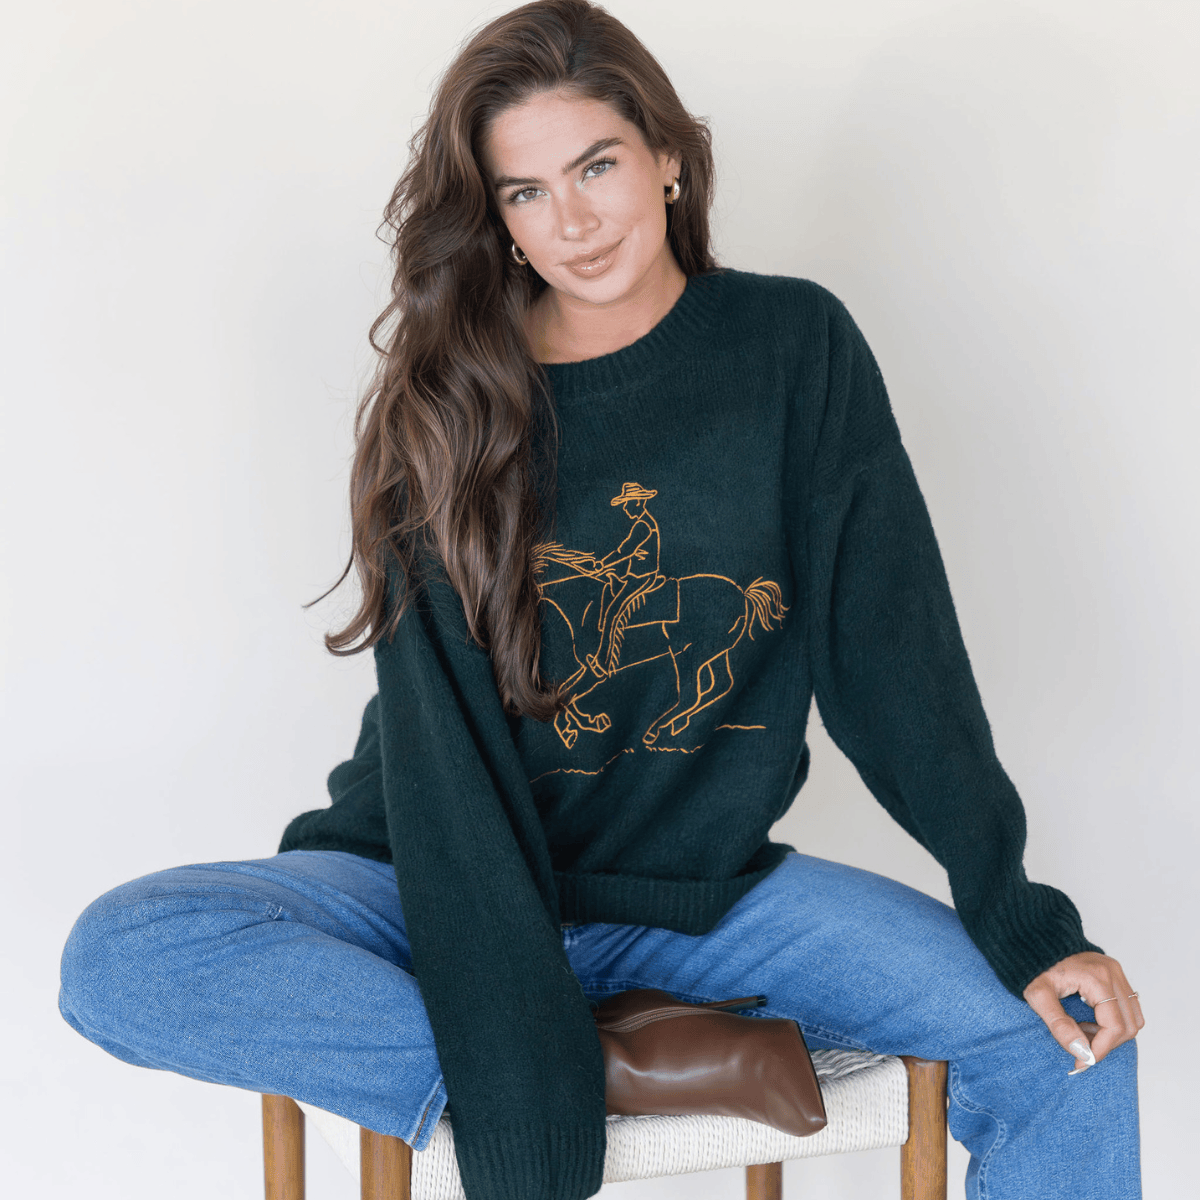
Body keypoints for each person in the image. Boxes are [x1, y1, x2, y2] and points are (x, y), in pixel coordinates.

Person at [57, 2, 1143, 1198]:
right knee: (123, 954)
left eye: (597, 166)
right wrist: (519, 1056)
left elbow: (893, 658)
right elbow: (442, 746)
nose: (570, 222)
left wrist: (1019, 914)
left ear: (668, 156)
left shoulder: (792, 347)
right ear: (497, 217)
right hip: (426, 880)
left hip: (700, 896)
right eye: (525, 192)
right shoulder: (447, 399)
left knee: (1071, 1043)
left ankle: (557, 1054)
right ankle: (581, 1063)